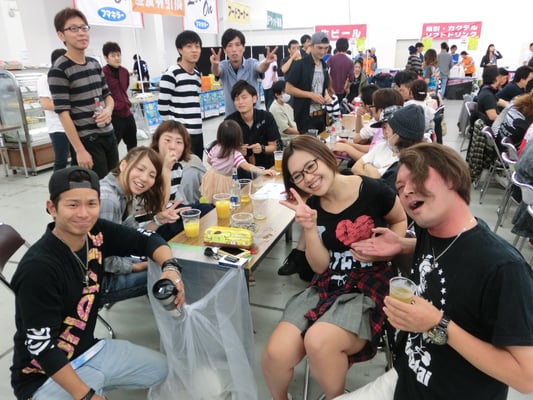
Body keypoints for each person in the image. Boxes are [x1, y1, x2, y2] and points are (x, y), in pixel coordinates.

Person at [340, 143, 533, 400]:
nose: (407, 191)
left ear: (451, 178)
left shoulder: (503, 268)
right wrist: (401, 246)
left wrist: (437, 324)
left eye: (418, 177)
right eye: (400, 187)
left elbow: (525, 377)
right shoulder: (428, 231)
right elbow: (446, 254)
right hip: (406, 376)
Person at [10, 166, 186, 400]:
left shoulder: (96, 233)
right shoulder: (38, 268)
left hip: (89, 351)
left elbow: (148, 240)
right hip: (42, 378)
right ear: (52, 208)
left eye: (91, 204)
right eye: (73, 205)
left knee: (163, 370)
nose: (84, 214)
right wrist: (86, 396)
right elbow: (42, 347)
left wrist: (171, 269)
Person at [262, 135, 407, 400]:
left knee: (318, 342)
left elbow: (399, 219)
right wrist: (309, 229)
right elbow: (320, 267)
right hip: (328, 284)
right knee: (275, 355)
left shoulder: (373, 190)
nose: (308, 178)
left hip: (369, 285)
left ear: (326, 157)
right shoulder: (311, 206)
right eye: (298, 176)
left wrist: (390, 246)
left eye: (310, 166)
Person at [98, 147, 187, 305]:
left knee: (167, 263)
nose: (145, 178)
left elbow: (134, 238)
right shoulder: (109, 200)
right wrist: (137, 267)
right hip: (99, 280)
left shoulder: (126, 193)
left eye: (152, 175)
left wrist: (158, 220)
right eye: (140, 169)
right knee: (170, 278)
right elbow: (102, 259)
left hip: (112, 262)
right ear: (123, 165)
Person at [48, 8, 118, 179]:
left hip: (108, 133)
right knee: (98, 186)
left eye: (84, 28)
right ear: (61, 35)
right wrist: (79, 150)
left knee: (117, 182)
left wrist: (108, 110)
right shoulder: (59, 70)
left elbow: (107, 96)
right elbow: (63, 113)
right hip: (88, 140)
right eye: (73, 29)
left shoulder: (94, 64)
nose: (81, 33)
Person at [149, 120, 211, 240]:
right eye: (167, 140)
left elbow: (172, 198)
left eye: (178, 142)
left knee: (208, 209)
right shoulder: (149, 165)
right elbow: (160, 205)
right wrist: (166, 169)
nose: (172, 146)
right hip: (153, 220)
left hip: (170, 209)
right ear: (157, 141)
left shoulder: (177, 167)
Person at [200, 120, 276, 202]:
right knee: (226, 201)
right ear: (238, 138)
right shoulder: (235, 154)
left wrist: (218, 168)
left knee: (212, 199)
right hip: (224, 181)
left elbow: (209, 160)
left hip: (211, 177)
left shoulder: (216, 147)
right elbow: (248, 167)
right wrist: (263, 171)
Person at [158, 30, 205, 160]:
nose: (194, 50)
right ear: (180, 50)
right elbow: (162, 107)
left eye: (197, 46)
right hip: (180, 135)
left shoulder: (197, 75)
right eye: (189, 46)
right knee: (180, 169)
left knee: (196, 166)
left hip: (197, 132)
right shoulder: (171, 74)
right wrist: (174, 132)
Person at [209, 28, 277, 116]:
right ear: (225, 50)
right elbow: (217, 71)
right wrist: (215, 64)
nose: (234, 49)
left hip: (253, 117)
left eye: (238, 45)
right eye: (230, 45)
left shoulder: (251, 63)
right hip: (232, 118)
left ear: (244, 48)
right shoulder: (223, 66)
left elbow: (260, 68)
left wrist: (266, 63)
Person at [351, 104, 425, 179]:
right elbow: (355, 167)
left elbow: (376, 178)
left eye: (386, 127)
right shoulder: (381, 146)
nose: (385, 132)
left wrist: (367, 165)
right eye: (383, 128)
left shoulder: (408, 158)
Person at [225, 80, 281, 171]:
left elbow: (274, 147)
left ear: (254, 98)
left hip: (267, 167)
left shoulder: (266, 117)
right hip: (241, 169)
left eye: (244, 97)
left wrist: (262, 148)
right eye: (236, 99)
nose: (240, 102)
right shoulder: (229, 122)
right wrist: (237, 152)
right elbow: (224, 152)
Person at [285, 31, 332, 134]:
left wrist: (327, 95)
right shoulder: (300, 64)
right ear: (311, 46)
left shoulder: (325, 66)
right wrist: (310, 95)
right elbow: (288, 88)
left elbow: (323, 87)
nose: (323, 51)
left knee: (322, 143)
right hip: (305, 117)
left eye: (326, 48)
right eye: (320, 48)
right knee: (308, 144)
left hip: (321, 116)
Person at [102, 41, 137, 151]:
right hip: (114, 115)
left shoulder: (124, 72)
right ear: (106, 58)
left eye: (118, 55)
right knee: (113, 147)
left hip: (127, 112)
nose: (117, 58)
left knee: (133, 145)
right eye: (113, 56)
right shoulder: (102, 73)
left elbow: (125, 88)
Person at [38, 48, 69, 171]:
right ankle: (57, 183)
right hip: (58, 127)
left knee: (77, 158)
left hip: (72, 125)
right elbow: (46, 104)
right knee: (61, 160)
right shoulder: (44, 79)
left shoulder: (66, 76)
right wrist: (67, 106)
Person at [269, 80, 299, 147]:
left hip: (295, 137)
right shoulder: (275, 108)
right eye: (284, 92)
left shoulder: (286, 105)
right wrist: (301, 132)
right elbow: (286, 130)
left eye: (287, 92)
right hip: (287, 141)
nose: (287, 94)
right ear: (277, 95)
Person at [327, 38, 354, 103]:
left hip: (331, 90)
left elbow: (325, 72)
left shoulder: (331, 59)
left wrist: (329, 87)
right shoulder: (350, 62)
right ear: (347, 48)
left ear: (337, 47)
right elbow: (351, 78)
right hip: (342, 91)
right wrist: (347, 87)